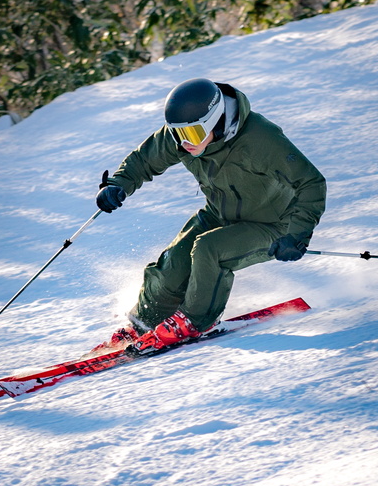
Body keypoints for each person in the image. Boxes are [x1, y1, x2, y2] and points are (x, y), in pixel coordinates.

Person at [95, 77, 326, 352]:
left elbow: (312, 182)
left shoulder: (260, 138)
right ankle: (145, 323)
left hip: (273, 225)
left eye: (192, 134)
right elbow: (144, 160)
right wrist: (117, 185)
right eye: (177, 134)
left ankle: (194, 321)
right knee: (173, 262)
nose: (184, 143)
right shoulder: (183, 138)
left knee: (209, 249)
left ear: (216, 121)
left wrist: (296, 234)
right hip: (220, 212)